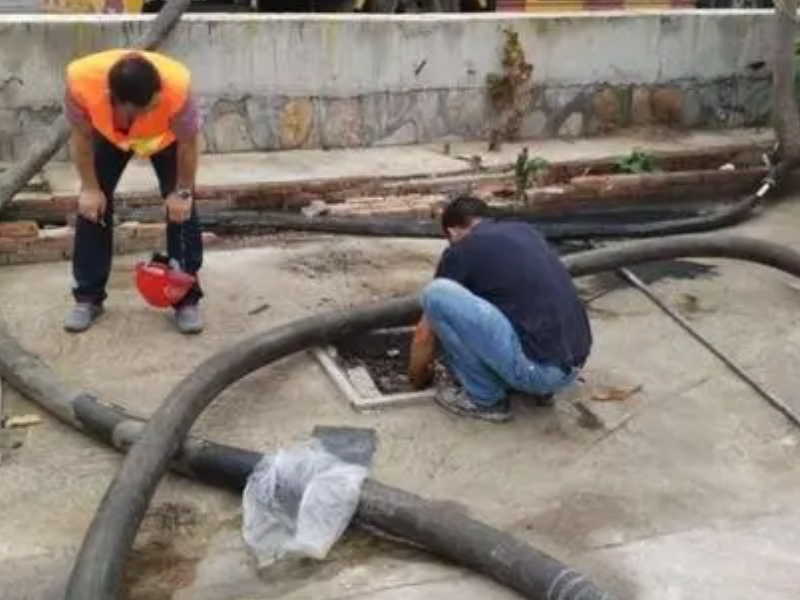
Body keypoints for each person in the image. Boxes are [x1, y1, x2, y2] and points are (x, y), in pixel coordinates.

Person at [408, 196, 592, 423]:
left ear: (453, 231)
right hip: (574, 362)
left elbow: (424, 334)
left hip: (539, 372)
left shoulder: (461, 250)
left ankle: (485, 400)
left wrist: (416, 380)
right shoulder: (525, 231)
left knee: (437, 294)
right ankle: (538, 390)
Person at [62, 49, 204, 334]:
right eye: (150, 106)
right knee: (92, 207)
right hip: (110, 136)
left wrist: (183, 193)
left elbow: (189, 144)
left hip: (167, 140)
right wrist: (90, 188)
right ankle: (88, 297)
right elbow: (80, 137)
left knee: (181, 209)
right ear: (121, 104)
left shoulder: (177, 87)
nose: (157, 104)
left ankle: (186, 298)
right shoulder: (80, 80)